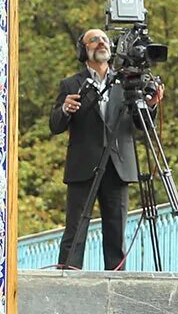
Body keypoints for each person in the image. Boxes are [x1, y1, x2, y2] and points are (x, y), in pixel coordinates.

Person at [48, 28, 162, 270]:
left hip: (118, 166)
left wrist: (150, 105)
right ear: (83, 50)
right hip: (83, 165)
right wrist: (65, 110)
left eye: (104, 40)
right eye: (94, 40)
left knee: (116, 231)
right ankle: (68, 277)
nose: (101, 43)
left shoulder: (127, 82)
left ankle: (116, 280)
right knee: (75, 230)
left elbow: (142, 125)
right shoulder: (70, 84)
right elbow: (55, 125)